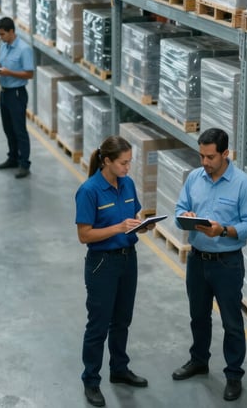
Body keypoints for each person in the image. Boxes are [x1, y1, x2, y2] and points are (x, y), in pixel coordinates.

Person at [172, 128, 247, 402]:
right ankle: (199, 360)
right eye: (201, 156)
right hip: (197, 261)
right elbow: (178, 212)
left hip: (227, 264)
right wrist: (184, 216)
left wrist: (223, 231)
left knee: (232, 323)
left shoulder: (244, 184)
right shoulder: (194, 178)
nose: (205, 162)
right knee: (198, 316)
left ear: (226, 154)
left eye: (210, 157)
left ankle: (233, 375)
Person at [75, 136, 154, 407]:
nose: (127, 167)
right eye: (123, 162)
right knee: (98, 325)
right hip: (102, 264)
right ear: (107, 161)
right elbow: (84, 235)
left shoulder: (128, 184)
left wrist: (143, 226)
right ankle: (91, 380)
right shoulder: (89, 190)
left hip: (127, 259)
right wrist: (118, 228)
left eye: (129, 162)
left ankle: (119, 369)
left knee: (122, 320)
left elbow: (131, 219)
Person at [0, 17, 35, 179]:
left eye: (3, 34)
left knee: (19, 130)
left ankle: (24, 164)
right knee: (8, 128)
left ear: (11, 31)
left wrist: (8, 72)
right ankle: (13, 158)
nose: (1, 37)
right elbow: (5, 66)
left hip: (17, 93)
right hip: (4, 92)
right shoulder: (4, 46)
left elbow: (29, 74)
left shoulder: (24, 49)